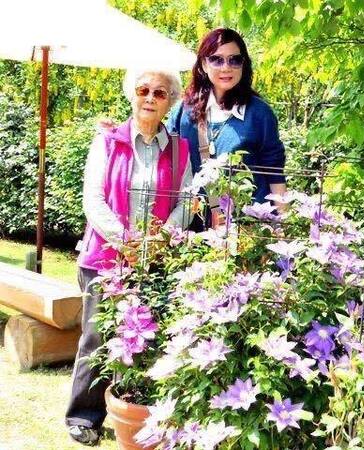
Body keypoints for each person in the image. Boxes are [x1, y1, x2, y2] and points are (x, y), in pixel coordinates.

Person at [66, 66, 192, 446]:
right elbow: (93, 200)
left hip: (155, 260)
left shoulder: (179, 149)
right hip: (105, 259)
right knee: (97, 337)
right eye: (143, 90)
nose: (150, 98)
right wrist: (128, 242)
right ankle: (83, 416)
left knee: (143, 338)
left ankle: (138, 416)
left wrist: (158, 241)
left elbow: (187, 201)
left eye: (160, 93)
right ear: (132, 95)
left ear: (170, 102)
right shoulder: (107, 142)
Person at [167, 28, 287, 209]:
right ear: (204, 64)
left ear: (243, 64)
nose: (226, 67)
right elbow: (164, 159)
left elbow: (275, 175)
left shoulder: (259, 114)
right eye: (217, 59)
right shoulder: (183, 113)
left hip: (247, 221)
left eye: (234, 60)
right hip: (192, 220)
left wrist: (283, 222)